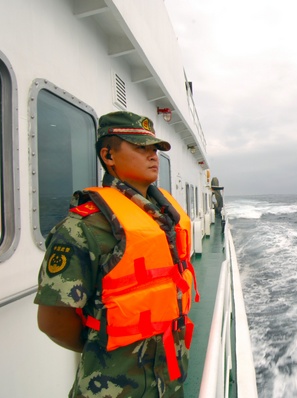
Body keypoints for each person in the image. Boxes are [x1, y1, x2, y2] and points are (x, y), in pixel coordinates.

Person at [35, 111, 197, 397]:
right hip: (113, 386)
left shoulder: (165, 218)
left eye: (154, 149)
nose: (153, 157)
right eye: (140, 148)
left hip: (170, 380)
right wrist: (103, 345)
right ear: (108, 156)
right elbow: (54, 321)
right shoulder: (83, 226)